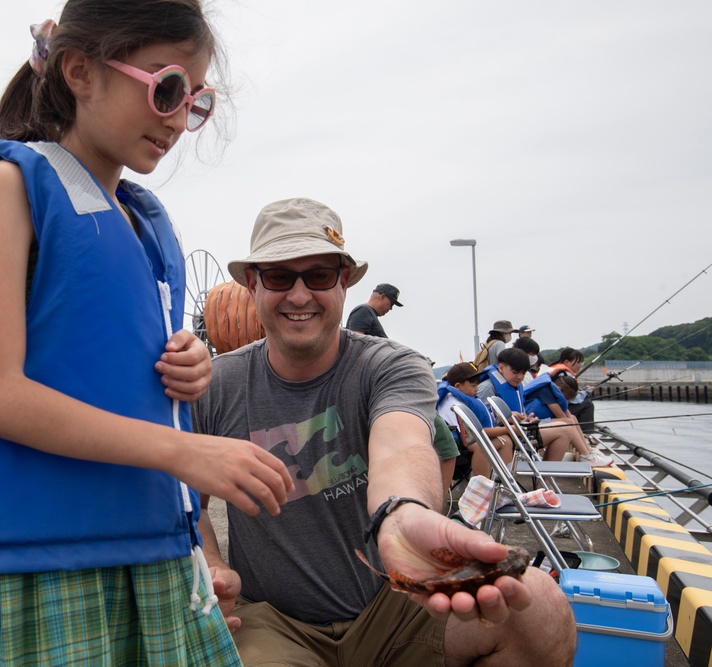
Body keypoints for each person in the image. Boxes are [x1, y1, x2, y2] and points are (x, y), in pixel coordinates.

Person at [0, 3, 293, 664]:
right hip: (45, 561)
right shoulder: (12, 185)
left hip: (152, 550)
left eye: (196, 100)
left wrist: (186, 365)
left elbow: (107, 352)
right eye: (166, 88)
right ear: (80, 71)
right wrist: (187, 451)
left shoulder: (144, 222)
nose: (178, 118)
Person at [194, 198, 575, 666]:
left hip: (394, 600)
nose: (298, 295)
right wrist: (211, 566)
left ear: (344, 281)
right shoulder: (215, 387)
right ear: (253, 283)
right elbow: (185, 501)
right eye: (278, 276)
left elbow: (402, 445)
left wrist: (403, 513)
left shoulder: (389, 365)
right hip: (274, 620)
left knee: (536, 602)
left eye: (318, 275)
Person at [478, 348, 612, 466]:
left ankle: (545, 482)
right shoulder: (486, 388)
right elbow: (481, 422)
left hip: (520, 430)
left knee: (566, 427)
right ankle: (549, 478)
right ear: (501, 368)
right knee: (564, 428)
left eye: (523, 373)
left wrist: (525, 418)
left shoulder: (514, 384)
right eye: (515, 372)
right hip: (508, 435)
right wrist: (506, 417)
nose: (519, 377)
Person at [436, 362, 513, 480]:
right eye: (473, 386)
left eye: (477, 385)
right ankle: (482, 487)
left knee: (506, 441)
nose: (477, 389)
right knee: (483, 447)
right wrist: (508, 429)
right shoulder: (452, 403)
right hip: (456, 443)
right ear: (458, 386)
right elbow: (469, 434)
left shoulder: (464, 398)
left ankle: (505, 483)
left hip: (470, 438)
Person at [550, 347, 596, 431]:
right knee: (588, 404)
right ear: (567, 362)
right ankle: (586, 433)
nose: (580, 365)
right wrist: (587, 391)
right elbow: (573, 399)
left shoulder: (554, 369)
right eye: (578, 362)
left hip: (552, 406)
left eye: (581, 363)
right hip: (557, 410)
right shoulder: (565, 374)